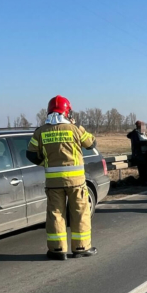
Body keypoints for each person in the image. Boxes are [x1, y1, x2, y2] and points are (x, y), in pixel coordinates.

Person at [27, 95, 97, 260]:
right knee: (80, 212)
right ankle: (81, 248)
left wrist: (46, 163)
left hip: (53, 182)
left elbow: (30, 154)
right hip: (76, 182)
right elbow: (92, 144)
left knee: (55, 214)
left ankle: (57, 250)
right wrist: (76, 124)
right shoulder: (75, 129)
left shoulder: (41, 131)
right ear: (67, 111)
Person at [127, 120, 147, 186]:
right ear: (139, 127)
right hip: (139, 154)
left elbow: (145, 140)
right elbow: (136, 143)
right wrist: (144, 143)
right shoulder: (135, 134)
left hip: (145, 153)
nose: (144, 129)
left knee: (146, 168)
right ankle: (143, 182)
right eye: (143, 127)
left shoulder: (143, 133)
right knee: (142, 169)